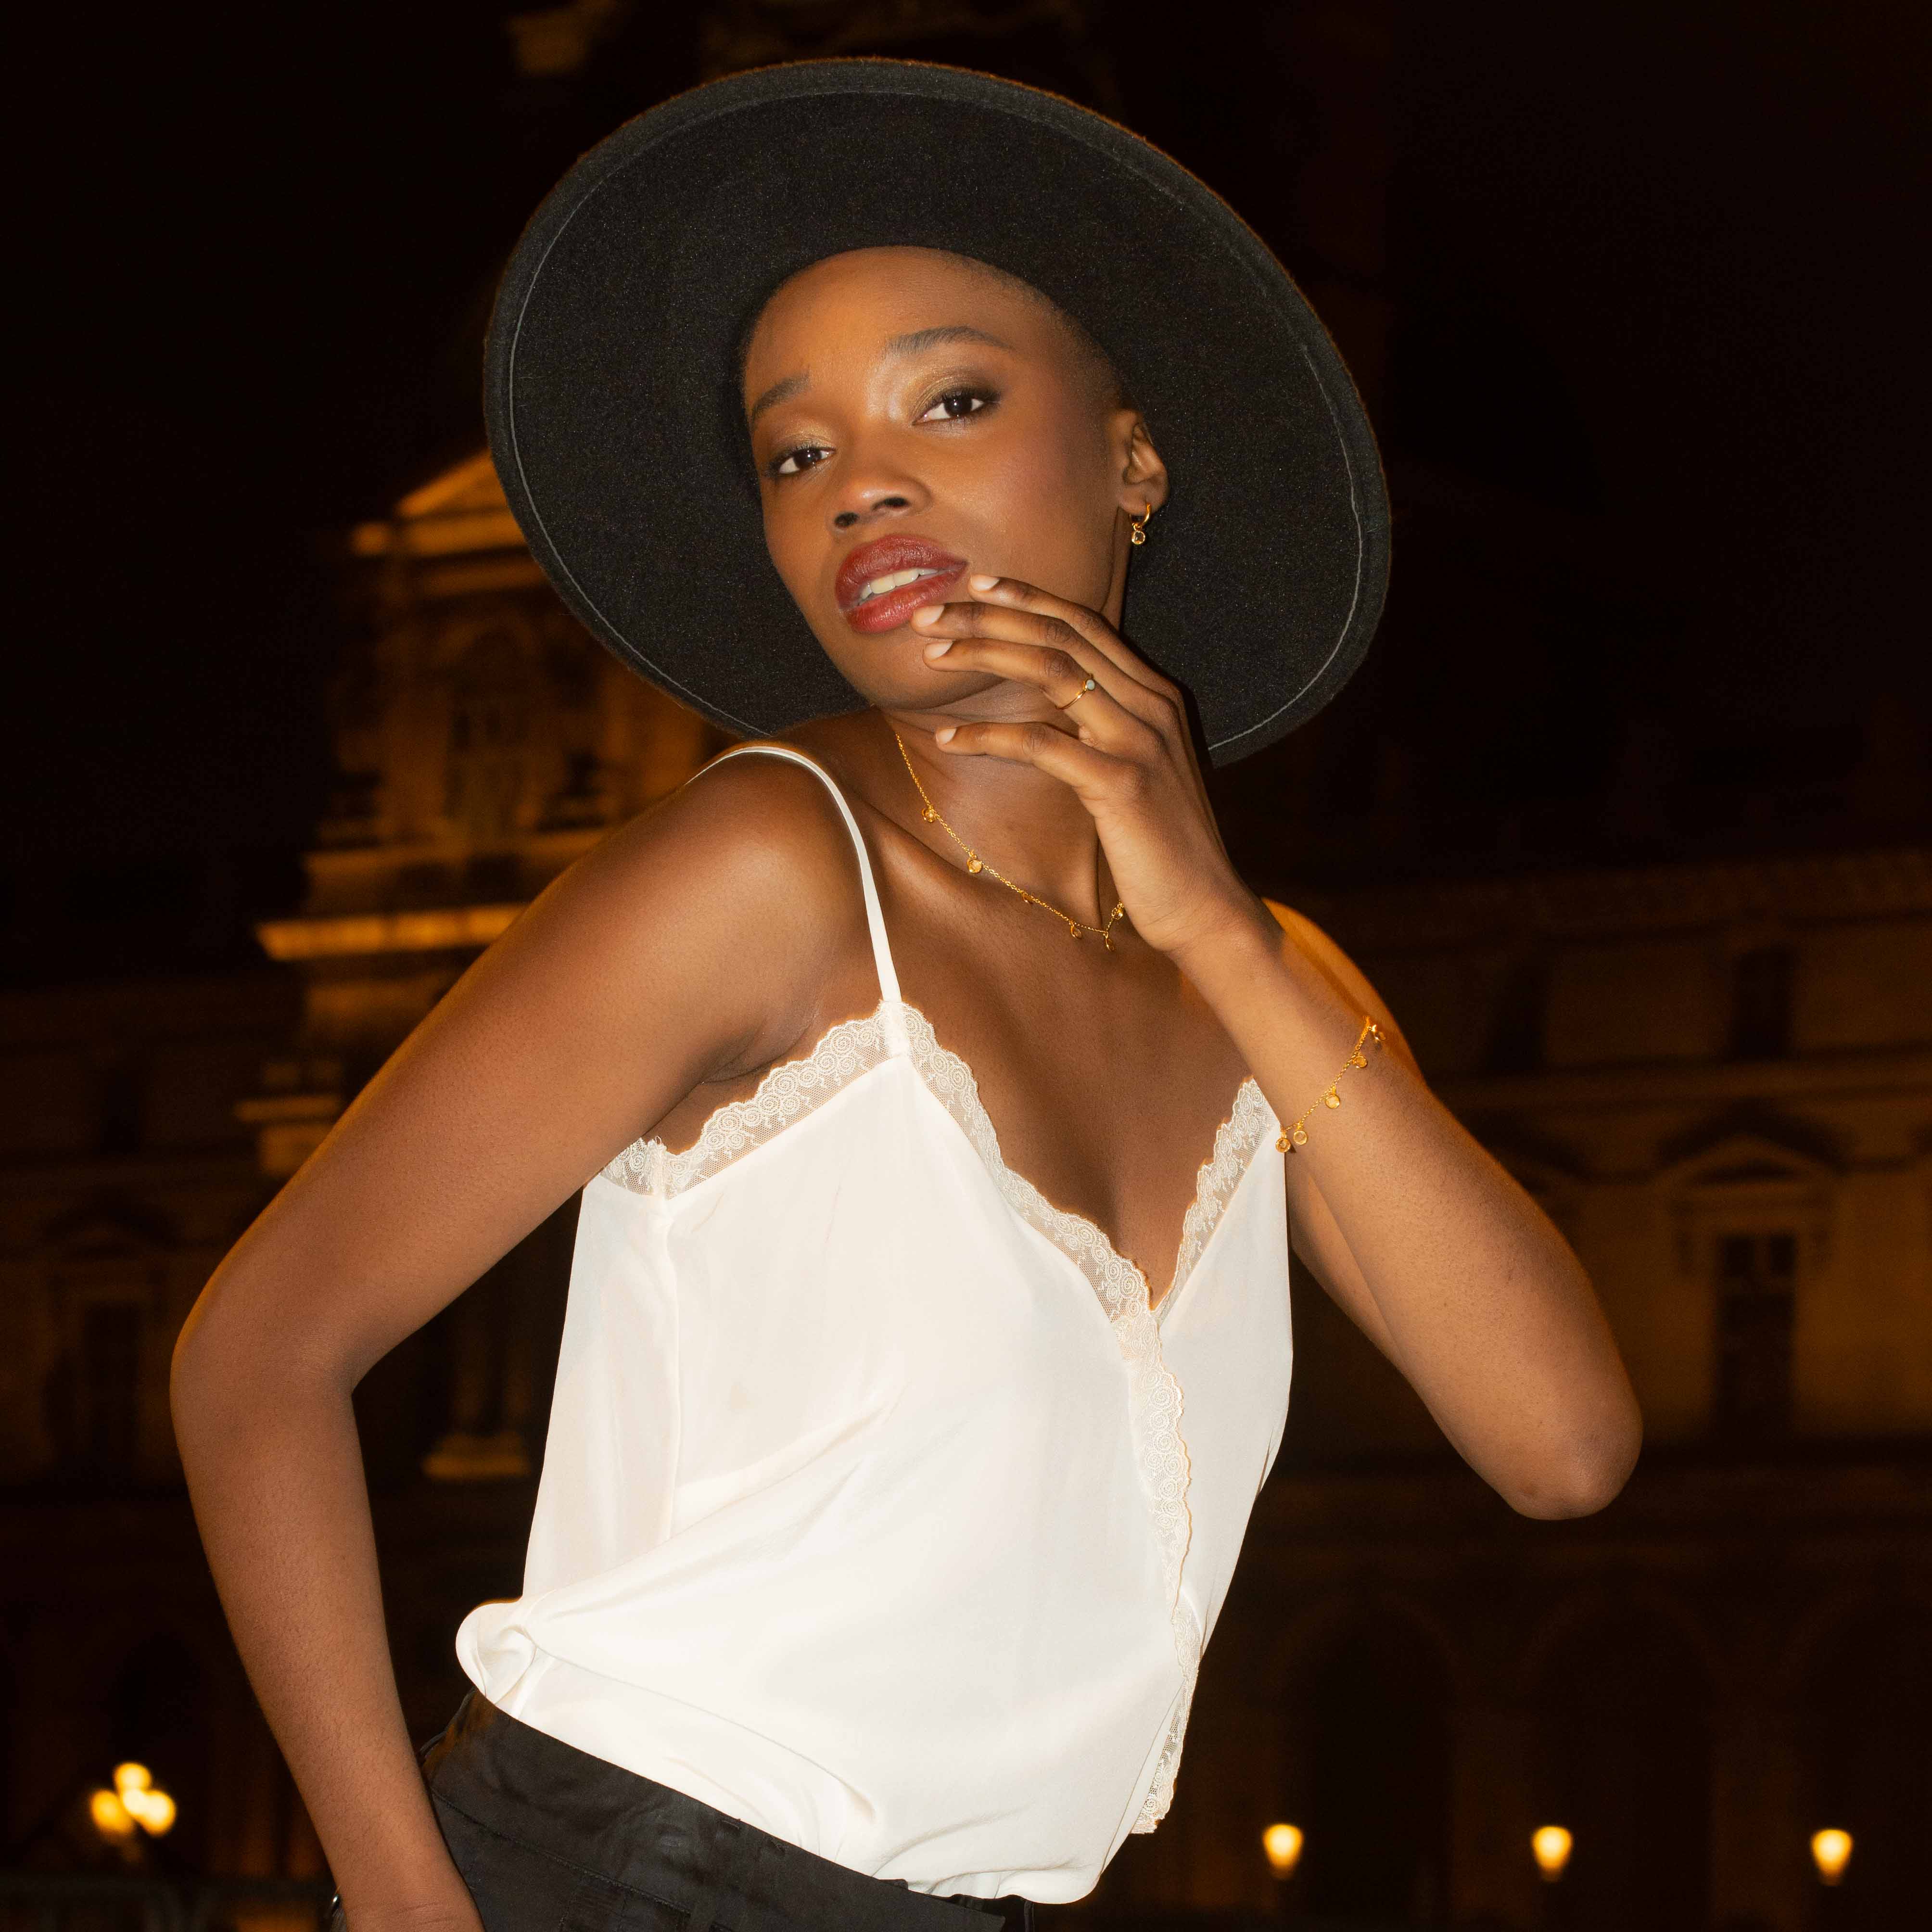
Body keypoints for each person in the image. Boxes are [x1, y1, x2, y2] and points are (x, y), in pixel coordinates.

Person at [172, 60, 1640, 1932]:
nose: (858, 479)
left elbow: (1561, 1447)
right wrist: (398, 1896)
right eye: (794, 454)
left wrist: (1219, 928)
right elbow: (258, 1352)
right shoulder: (768, 868)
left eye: (949, 400)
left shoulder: (1271, 989)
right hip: (616, 1876)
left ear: (1134, 460)